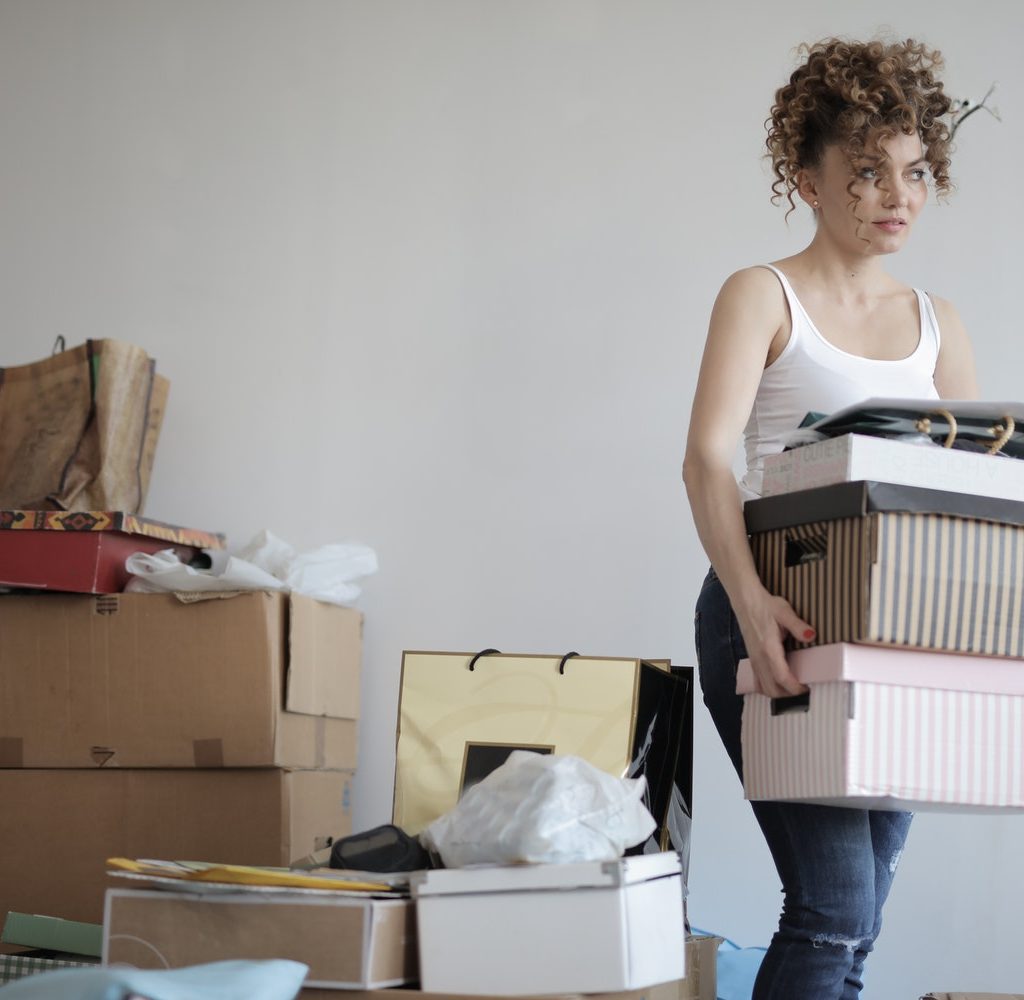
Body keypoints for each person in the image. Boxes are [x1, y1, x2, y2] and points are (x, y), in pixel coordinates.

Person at [681, 37, 979, 1000]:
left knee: (858, 919)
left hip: (897, 629)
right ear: (807, 182)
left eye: (915, 171)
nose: (898, 195)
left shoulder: (939, 321)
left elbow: (969, 494)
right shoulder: (761, 294)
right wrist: (751, 601)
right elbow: (707, 461)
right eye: (865, 173)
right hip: (776, 608)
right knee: (834, 907)